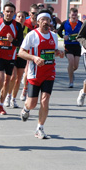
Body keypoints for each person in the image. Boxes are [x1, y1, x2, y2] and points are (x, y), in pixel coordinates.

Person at [18, 9, 64, 139]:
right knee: (32, 103)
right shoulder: (32, 35)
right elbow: (21, 52)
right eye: (42, 20)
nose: (45, 22)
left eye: (47, 20)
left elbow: (55, 51)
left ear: (50, 22)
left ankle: (40, 128)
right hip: (34, 74)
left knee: (45, 100)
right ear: (38, 22)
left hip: (49, 73)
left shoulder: (54, 36)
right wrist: (34, 58)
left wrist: (59, 53)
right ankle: (26, 109)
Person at [0, 2, 22, 115]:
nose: (9, 14)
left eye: (11, 12)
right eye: (7, 11)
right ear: (3, 12)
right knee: (0, 79)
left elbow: (20, 42)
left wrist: (13, 41)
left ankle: (1, 106)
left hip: (11, 56)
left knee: (7, 81)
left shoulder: (17, 26)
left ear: (14, 13)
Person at [6, 10, 30, 108]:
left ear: (25, 19)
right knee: (13, 77)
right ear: (16, 18)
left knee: (18, 79)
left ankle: (13, 99)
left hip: (22, 56)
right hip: (12, 55)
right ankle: (8, 96)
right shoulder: (12, 28)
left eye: (22, 17)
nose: (20, 18)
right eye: (19, 16)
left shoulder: (28, 30)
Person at [56, 7, 83, 88]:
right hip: (68, 45)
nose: (74, 16)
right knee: (71, 61)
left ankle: (70, 71)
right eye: (72, 14)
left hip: (77, 46)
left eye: (75, 15)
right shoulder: (65, 23)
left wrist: (80, 37)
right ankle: (71, 82)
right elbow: (59, 31)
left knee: (76, 66)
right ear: (69, 15)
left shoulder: (81, 23)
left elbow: (84, 33)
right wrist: (63, 36)